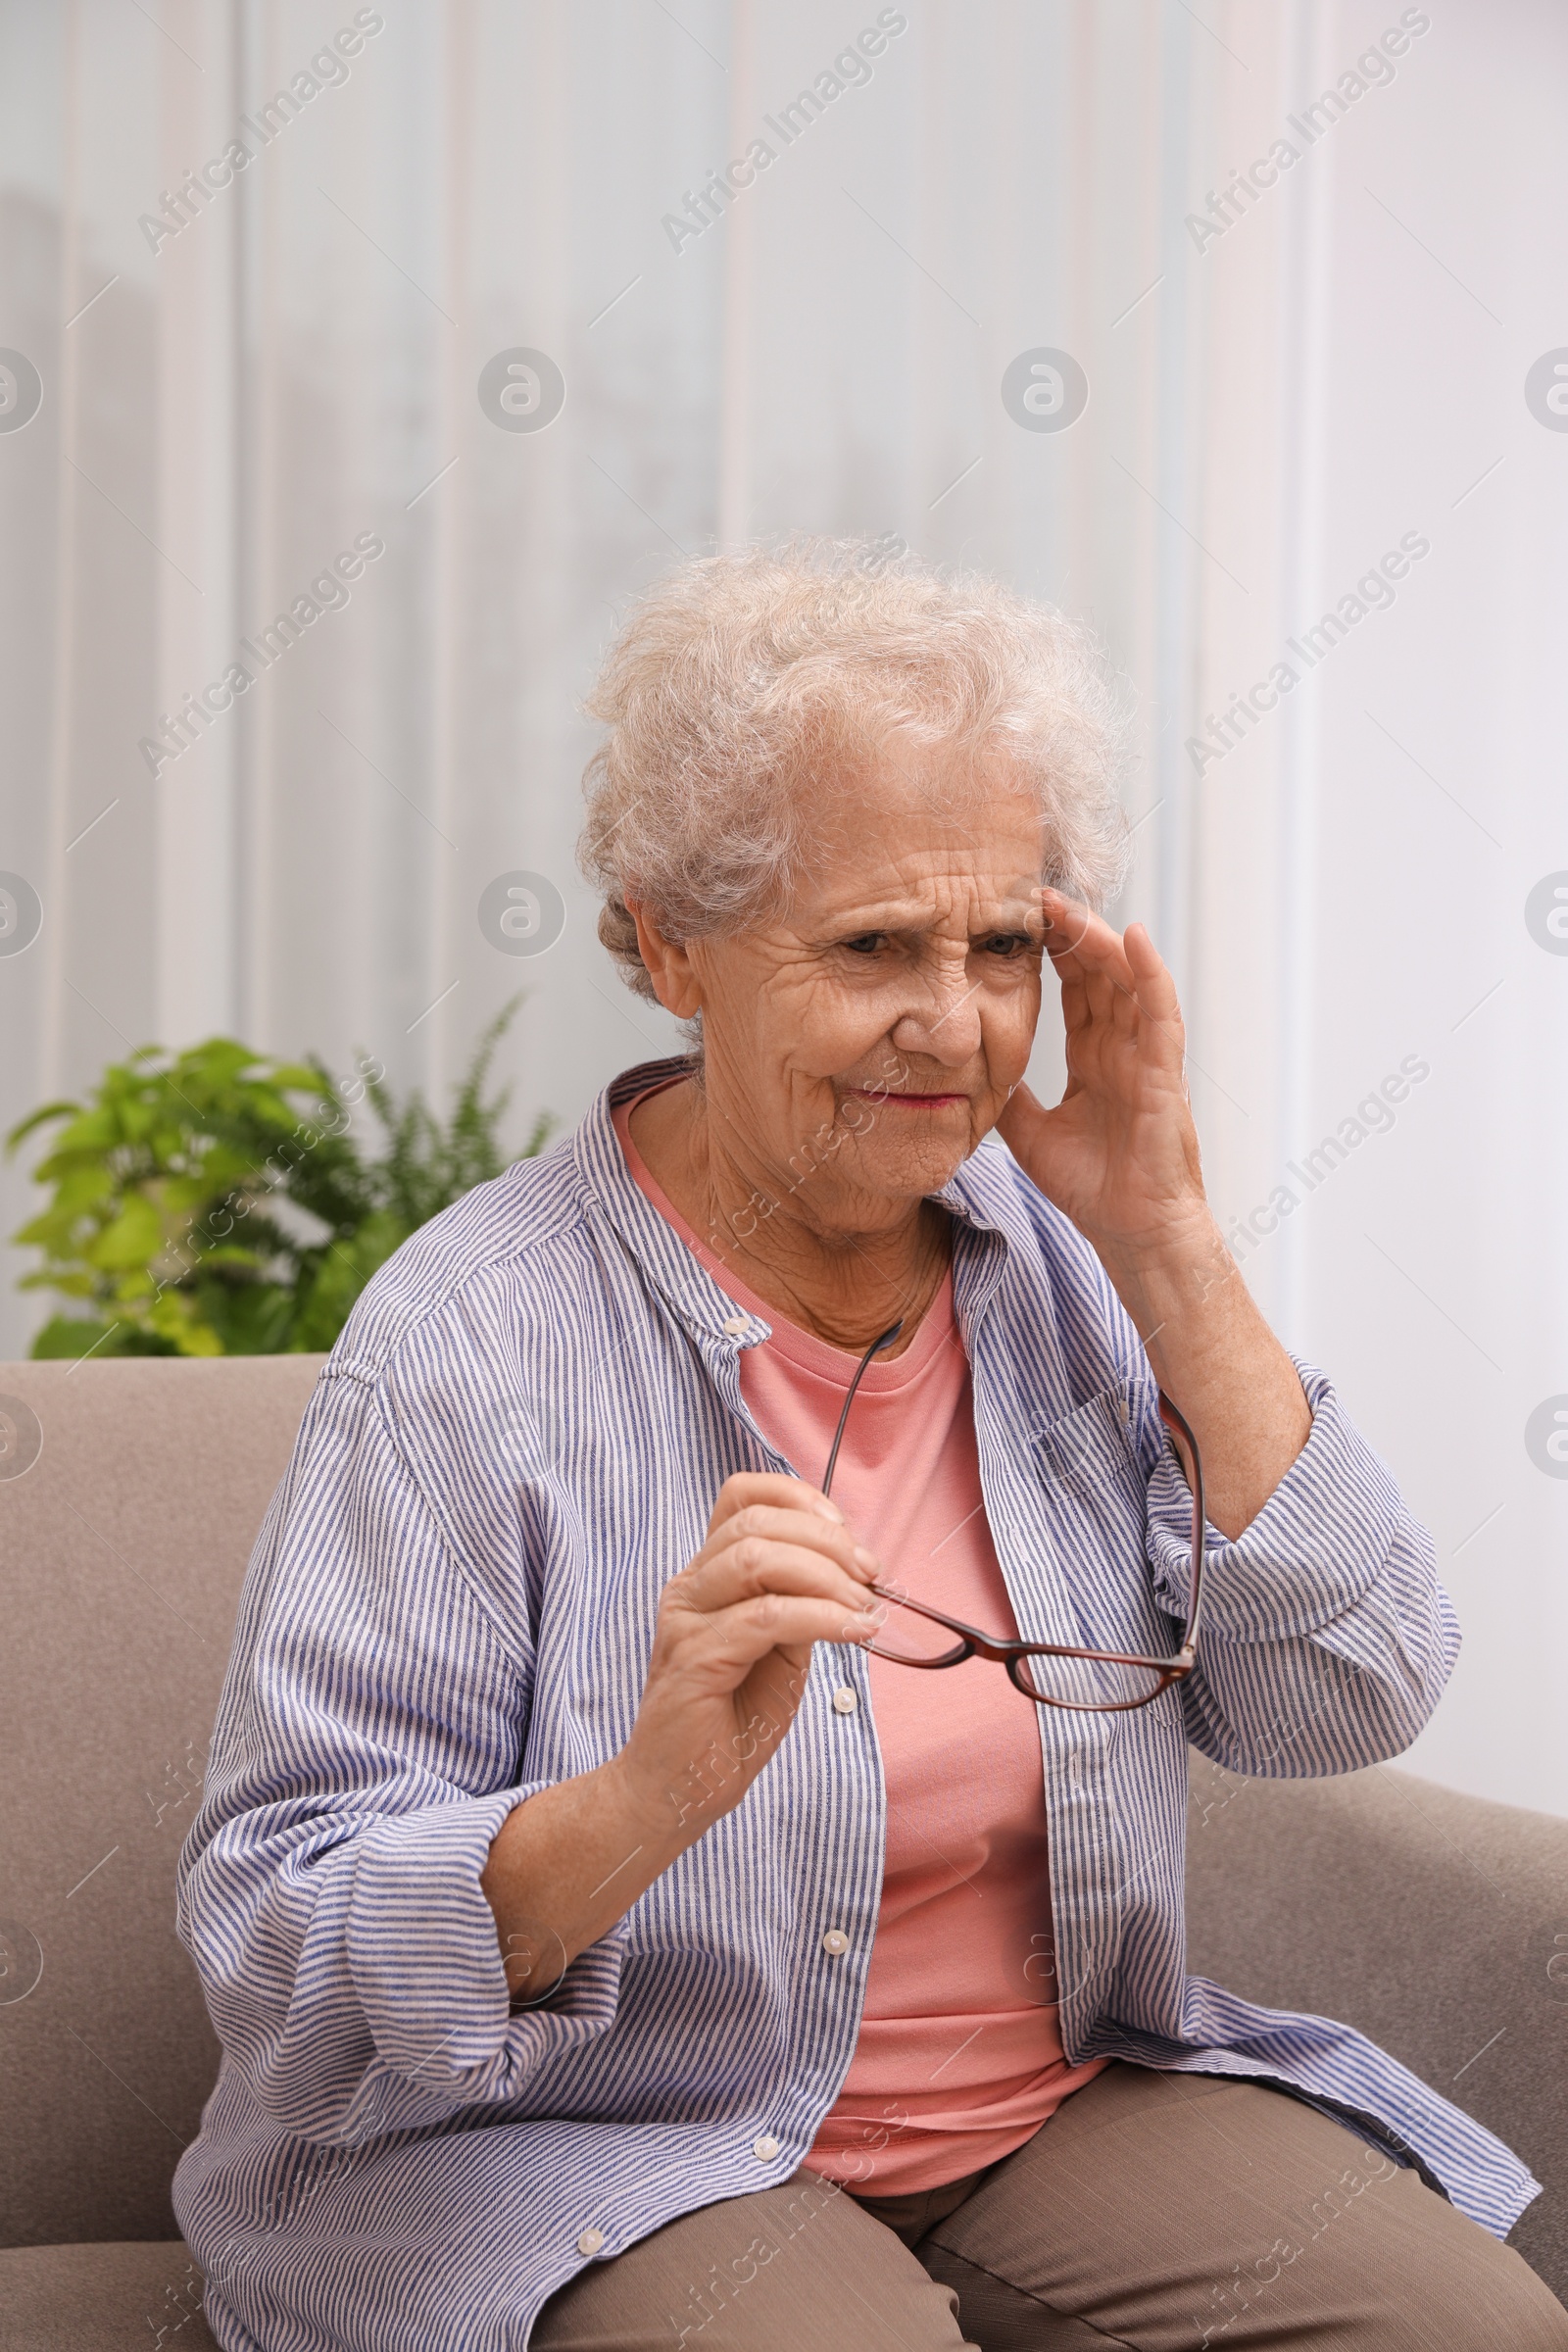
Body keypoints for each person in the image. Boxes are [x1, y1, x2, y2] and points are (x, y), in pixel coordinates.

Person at [173, 541, 1568, 2349]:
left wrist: (1164, 1235)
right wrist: (643, 1798)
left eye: (1002, 946)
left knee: (1468, 2331)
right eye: (871, 947)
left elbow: (1348, 1692)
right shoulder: (468, 1340)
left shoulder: (1067, 1272)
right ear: (673, 941)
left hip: (1040, 2104)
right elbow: (279, 1956)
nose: (956, 1022)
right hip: (599, 2140)